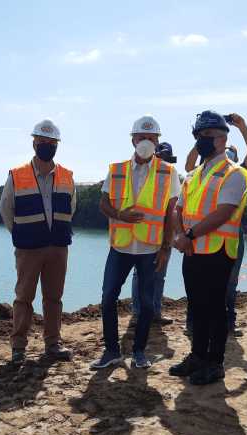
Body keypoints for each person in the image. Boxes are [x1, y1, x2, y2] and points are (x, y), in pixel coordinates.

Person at [90, 115, 180, 370]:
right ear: (133, 140)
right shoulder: (116, 169)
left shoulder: (169, 172)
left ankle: (139, 352)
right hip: (120, 247)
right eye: (142, 137)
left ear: (157, 141)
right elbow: (103, 204)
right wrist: (120, 215)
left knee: (147, 304)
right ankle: (111, 351)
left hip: (150, 248)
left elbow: (171, 213)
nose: (146, 142)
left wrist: (166, 248)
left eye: (152, 138)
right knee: (108, 298)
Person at [168, 110, 247, 385]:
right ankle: (197, 355)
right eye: (198, 136)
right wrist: (181, 236)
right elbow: (177, 209)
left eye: (207, 135)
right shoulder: (193, 175)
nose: (202, 141)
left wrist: (188, 235)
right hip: (192, 251)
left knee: (214, 309)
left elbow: (224, 212)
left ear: (222, 138)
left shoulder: (234, 174)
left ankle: (214, 362)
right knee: (197, 306)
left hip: (217, 252)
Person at [0, 119, 76, 365]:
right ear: (34, 143)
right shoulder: (17, 174)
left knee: (54, 298)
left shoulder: (66, 175)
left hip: (58, 247)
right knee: (24, 298)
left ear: (57, 145)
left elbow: (72, 207)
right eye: (42, 142)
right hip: (28, 248)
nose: (46, 146)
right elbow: (5, 209)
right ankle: (18, 347)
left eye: (51, 142)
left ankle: (53, 343)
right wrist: (21, 233)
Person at [184, 115, 247, 336]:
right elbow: (189, 164)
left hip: (227, 240)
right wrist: (201, 136)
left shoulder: (237, 172)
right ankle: (195, 326)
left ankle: (228, 323)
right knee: (197, 291)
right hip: (195, 240)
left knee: (228, 285)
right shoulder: (198, 172)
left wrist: (242, 127)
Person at [128, 142, 179, 327]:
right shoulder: (142, 176)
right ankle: (138, 313)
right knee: (139, 275)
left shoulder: (171, 176)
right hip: (144, 235)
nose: (163, 161)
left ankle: (155, 312)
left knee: (159, 275)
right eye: (161, 156)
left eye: (166, 158)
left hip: (164, 235)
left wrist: (170, 238)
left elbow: (174, 209)